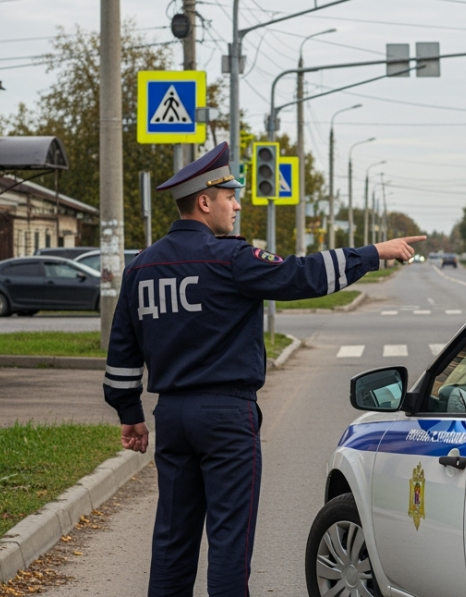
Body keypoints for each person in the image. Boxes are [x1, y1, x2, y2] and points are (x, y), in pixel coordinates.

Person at [102, 142, 423, 597]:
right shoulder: (231, 259)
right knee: (230, 542)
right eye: (230, 196)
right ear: (204, 201)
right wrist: (374, 253)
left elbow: (122, 351)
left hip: (172, 417)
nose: (237, 204)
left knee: (172, 542)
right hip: (226, 419)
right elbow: (303, 275)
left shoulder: (141, 269)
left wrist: (129, 413)